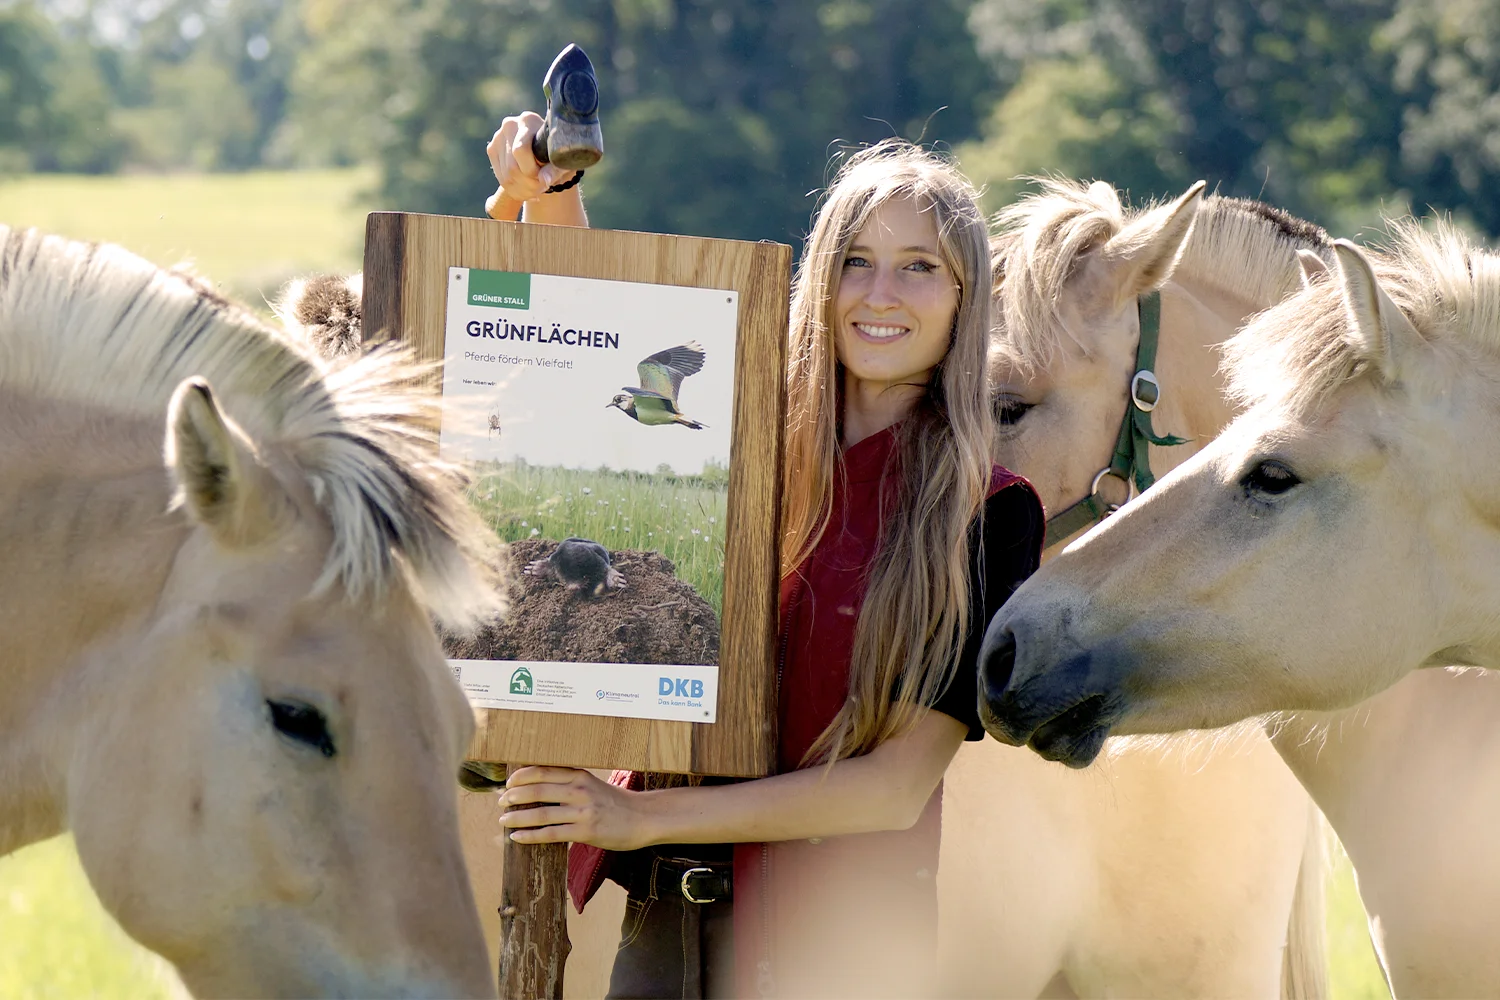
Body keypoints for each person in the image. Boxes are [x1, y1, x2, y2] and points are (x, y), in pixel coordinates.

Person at [492, 129, 1043, 998]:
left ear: (964, 297)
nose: (881, 294)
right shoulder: (742, 447)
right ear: (820, 278)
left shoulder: (988, 513)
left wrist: (636, 814)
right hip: (664, 937)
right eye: (856, 261)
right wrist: (552, 187)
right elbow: (599, 334)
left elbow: (893, 788)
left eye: (920, 267)